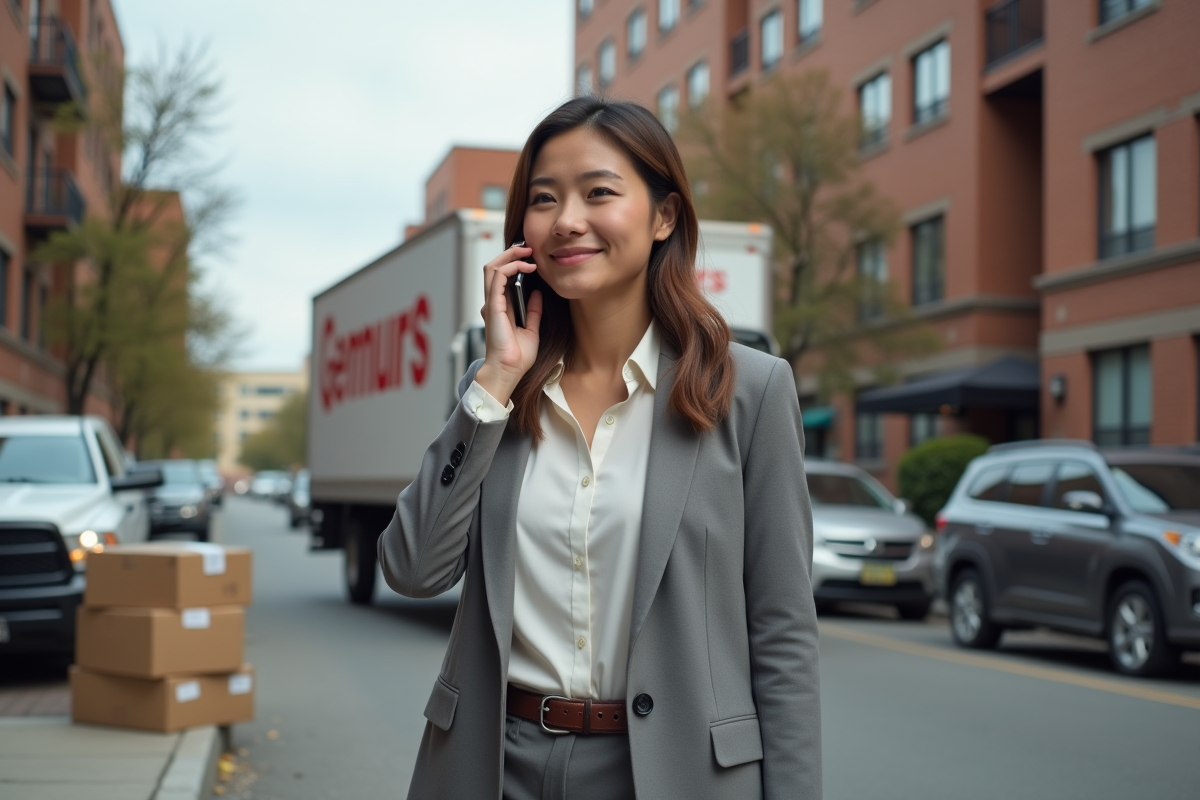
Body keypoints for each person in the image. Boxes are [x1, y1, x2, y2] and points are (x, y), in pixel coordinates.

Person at [379, 96, 820, 800]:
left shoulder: (750, 391)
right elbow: (412, 569)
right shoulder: (497, 389)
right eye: (544, 199)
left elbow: (783, 632)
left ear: (664, 217)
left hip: (675, 774)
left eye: (600, 193)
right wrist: (493, 381)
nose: (567, 221)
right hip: (496, 765)